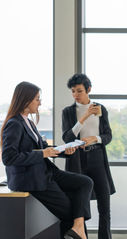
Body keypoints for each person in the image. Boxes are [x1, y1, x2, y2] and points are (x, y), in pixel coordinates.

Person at [1, 81, 93, 239]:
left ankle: (78, 228)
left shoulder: (29, 122)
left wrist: (66, 150)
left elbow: (44, 147)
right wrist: (42, 154)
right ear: (26, 100)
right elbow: (9, 158)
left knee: (85, 182)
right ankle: (78, 229)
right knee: (72, 212)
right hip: (31, 179)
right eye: (37, 99)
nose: (40, 102)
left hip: (46, 172)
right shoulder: (14, 124)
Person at [62, 74, 115, 239]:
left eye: (79, 91)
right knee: (79, 202)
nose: (76, 95)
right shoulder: (68, 112)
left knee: (104, 204)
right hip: (77, 159)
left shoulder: (101, 109)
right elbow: (67, 138)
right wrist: (84, 117)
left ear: (88, 90)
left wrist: (95, 138)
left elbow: (108, 135)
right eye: (73, 91)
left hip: (98, 157)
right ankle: (81, 235)